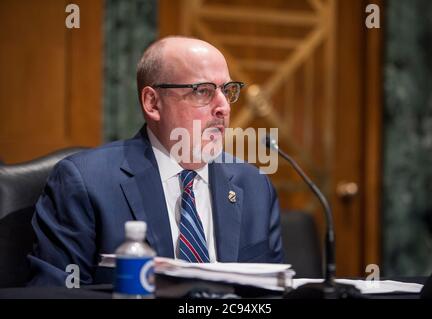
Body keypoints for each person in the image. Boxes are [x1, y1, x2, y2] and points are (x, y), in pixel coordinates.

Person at [28, 36, 284, 286]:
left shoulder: (254, 186)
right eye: (203, 91)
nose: (223, 107)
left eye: (228, 91)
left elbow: (272, 294)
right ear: (152, 103)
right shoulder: (85, 182)